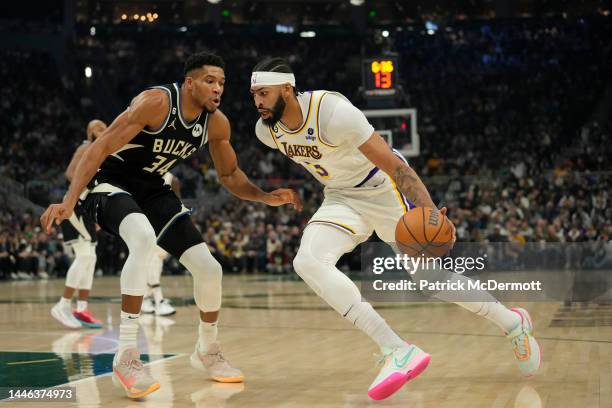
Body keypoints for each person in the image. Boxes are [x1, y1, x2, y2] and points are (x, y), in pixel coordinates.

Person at [249, 58, 540, 400]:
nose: (257, 102)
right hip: (341, 197)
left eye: (264, 93)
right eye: (254, 94)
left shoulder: (333, 113)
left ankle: (512, 324)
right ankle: (396, 350)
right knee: (308, 262)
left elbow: (395, 167)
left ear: (287, 88)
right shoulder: (266, 131)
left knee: (429, 280)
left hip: (383, 188)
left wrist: (431, 213)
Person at [41, 52, 301, 399]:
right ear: (189, 83)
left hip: (153, 190)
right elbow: (100, 147)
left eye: (222, 82)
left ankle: (207, 350)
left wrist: (265, 196)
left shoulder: (216, 123)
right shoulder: (156, 102)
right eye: (210, 81)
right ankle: (127, 355)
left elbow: (229, 175)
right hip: (109, 183)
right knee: (143, 238)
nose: (218, 89)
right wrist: (70, 199)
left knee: (210, 269)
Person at [51, 119, 106, 329]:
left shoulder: (104, 152)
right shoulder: (86, 147)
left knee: (90, 259)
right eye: (97, 128)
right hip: (73, 204)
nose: (102, 129)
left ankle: (82, 309)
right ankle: (63, 305)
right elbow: (70, 173)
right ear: (90, 132)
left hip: (88, 208)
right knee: (85, 256)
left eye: (104, 127)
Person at [141, 172, 180, 317]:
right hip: (145, 223)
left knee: (155, 261)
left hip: (162, 223)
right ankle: (158, 300)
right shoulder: (140, 174)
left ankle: (145, 299)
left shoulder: (172, 178)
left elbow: (177, 203)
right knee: (152, 261)